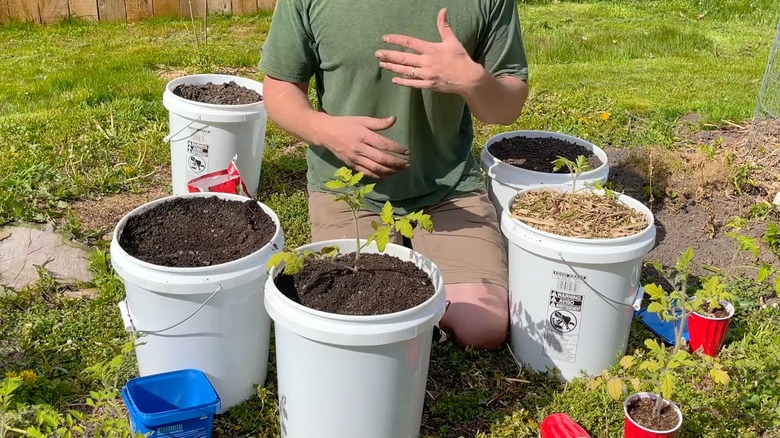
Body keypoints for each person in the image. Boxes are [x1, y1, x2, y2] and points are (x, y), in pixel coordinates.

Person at [259, 0, 529, 350]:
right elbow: (280, 87)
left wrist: (473, 81)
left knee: (481, 327)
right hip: (349, 191)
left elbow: (507, 107)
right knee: (356, 316)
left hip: (447, 187)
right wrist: (327, 131)